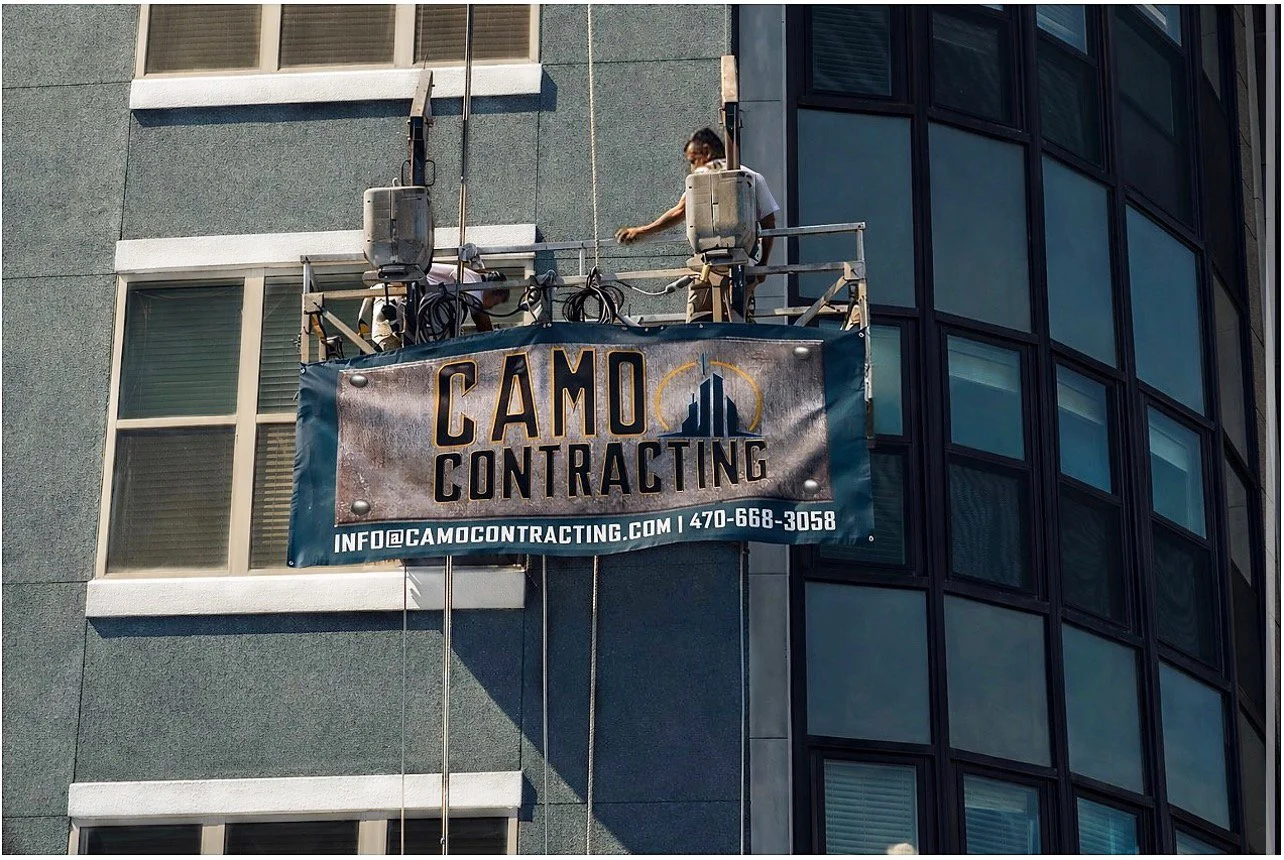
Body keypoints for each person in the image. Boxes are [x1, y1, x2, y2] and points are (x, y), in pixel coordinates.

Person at [615, 127, 780, 321]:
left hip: (705, 267)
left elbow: (680, 211)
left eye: (693, 160)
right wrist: (762, 267)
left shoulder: (702, 175)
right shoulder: (751, 176)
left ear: (707, 152)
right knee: (739, 322)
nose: (692, 168)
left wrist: (641, 231)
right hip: (745, 267)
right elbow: (769, 224)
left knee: (698, 323)